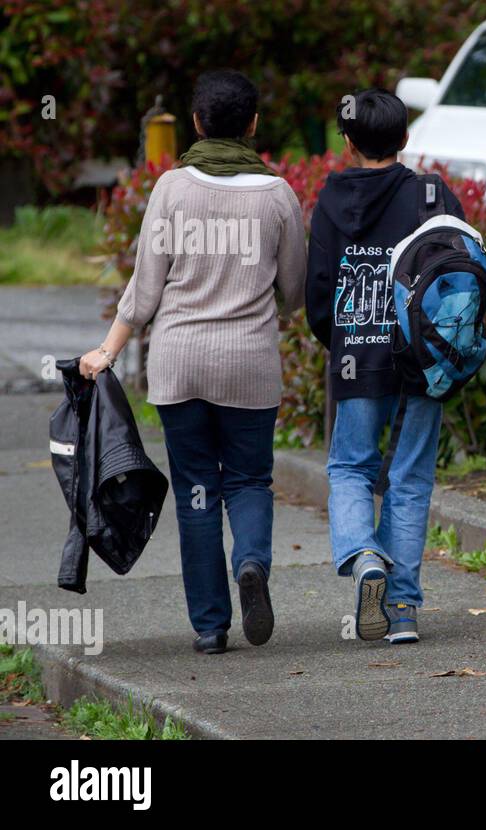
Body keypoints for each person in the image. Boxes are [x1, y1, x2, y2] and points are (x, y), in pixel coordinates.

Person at [79, 69, 306, 655]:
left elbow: (145, 291)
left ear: (199, 123)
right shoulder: (278, 195)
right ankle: (251, 563)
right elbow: (294, 290)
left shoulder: (172, 189)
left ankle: (210, 626)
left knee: (197, 490)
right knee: (251, 480)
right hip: (250, 365)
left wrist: (106, 352)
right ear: (253, 126)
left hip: (179, 366)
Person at [306, 88, 463, 644]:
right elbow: (457, 276)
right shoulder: (431, 192)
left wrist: (340, 340)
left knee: (350, 467)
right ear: (403, 138)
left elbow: (319, 291)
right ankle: (402, 611)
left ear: (348, 142)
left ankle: (363, 553)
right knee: (411, 476)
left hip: (356, 355)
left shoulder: (330, 198)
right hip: (426, 356)